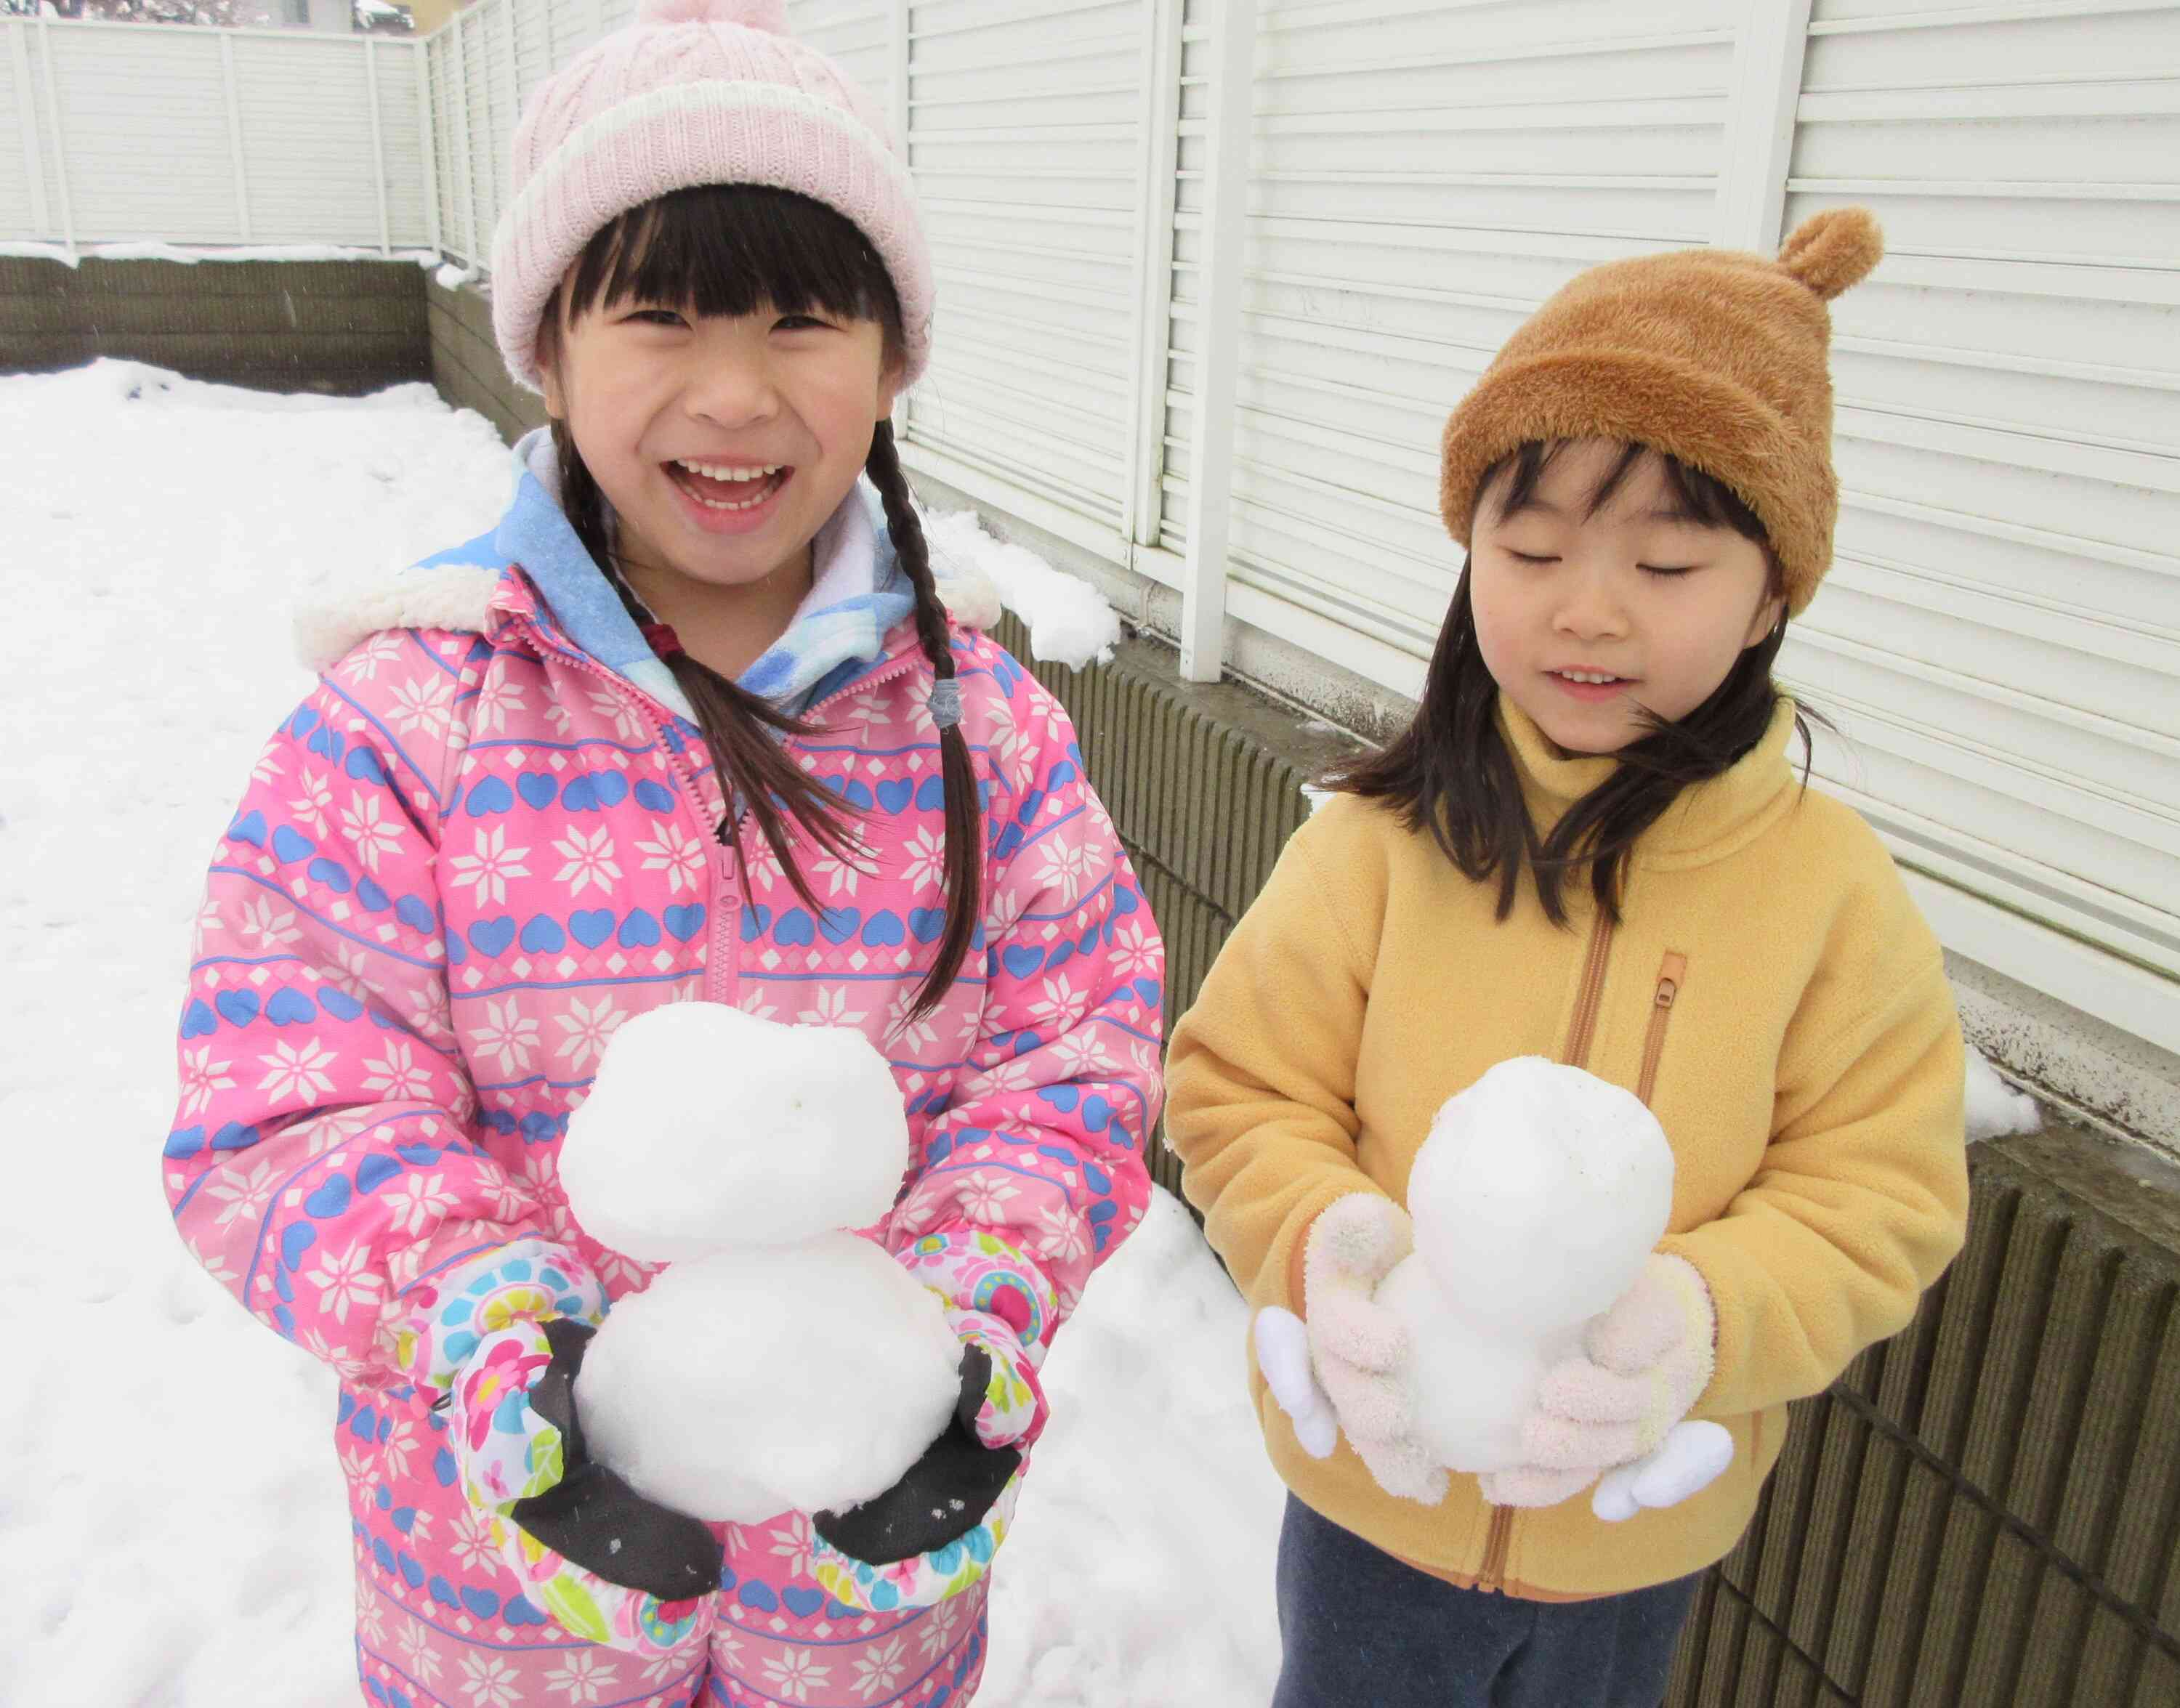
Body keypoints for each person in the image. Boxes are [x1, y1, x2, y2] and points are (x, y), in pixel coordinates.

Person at [161, 2, 1163, 1701]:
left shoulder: (979, 731)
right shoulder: (405, 728)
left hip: (860, 1594)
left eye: (801, 321)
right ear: (546, 345)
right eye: (660, 319)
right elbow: (286, 1101)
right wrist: (497, 1337)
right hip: (501, 1599)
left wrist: (968, 1306)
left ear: (895, 359)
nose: (734, 394)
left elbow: (1079, 1051)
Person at [1164, 208, 1970, 1708]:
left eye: (1666, 565)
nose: (1586, 609)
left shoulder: (1828, 895)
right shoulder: (1380, 842)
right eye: (1530, 548)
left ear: (1774, 590)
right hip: (1372, 1505)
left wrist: (1699, 1323)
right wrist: (1320, 1242)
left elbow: (1883, 1195)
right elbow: (1234, 1085)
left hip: (1630, 1526)